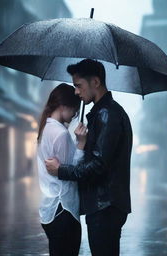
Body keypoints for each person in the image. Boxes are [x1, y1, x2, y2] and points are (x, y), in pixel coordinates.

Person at [45, 59, 133, 256]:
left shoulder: (106, 114)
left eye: (78, 85)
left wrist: (61, 170)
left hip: (105, 205)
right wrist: (82, 141)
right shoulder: (102, 113)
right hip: (104, 205)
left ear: (95, 82)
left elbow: (98, 165)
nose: (76, 92)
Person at [37, 83, 87, 256]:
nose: (75, 113)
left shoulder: (45, 128)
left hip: (50, 208)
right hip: (63, 208)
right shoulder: (60, 134)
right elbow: (71, 171)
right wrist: (81, 144)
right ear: (63, 105)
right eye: (74, 107)